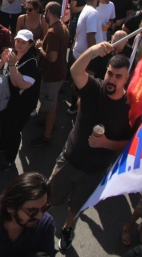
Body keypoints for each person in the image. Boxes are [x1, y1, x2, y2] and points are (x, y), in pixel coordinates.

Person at [50, 42, 134, 252]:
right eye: (110, 73)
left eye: (118, 76)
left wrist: (106, 143)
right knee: (50, 197)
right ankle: (36, 224)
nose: (112, 80)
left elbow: (129, 143)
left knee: (76, 206)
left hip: (94, 171)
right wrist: (93, 51)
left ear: (127, 79)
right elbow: (75, 70)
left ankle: (68, 229)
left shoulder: (129, 108)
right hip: (69, 159)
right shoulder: (94, 89)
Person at [0, 29, 41, 172]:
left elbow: (21, 84)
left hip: (20, 105)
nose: (19, 44)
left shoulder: (31, 62)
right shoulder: (10, 52)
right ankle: (2, 146)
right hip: (4, 101)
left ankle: (10, 158)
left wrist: (12, 65)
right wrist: (2, 61)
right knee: (5, 125)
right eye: (18, 41)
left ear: (30, 44)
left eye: (23, 42)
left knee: (14, 130)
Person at [32, 2, 69, 147]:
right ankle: (47, 121)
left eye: (45, 12)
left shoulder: (53, 32)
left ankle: (47, 135)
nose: (43, 15)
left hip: (52, 75)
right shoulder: (62, 27)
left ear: (49, 13)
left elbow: (52, 57)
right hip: (59, 72)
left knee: (51, 104)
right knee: (49, 102)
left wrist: (40, 48)